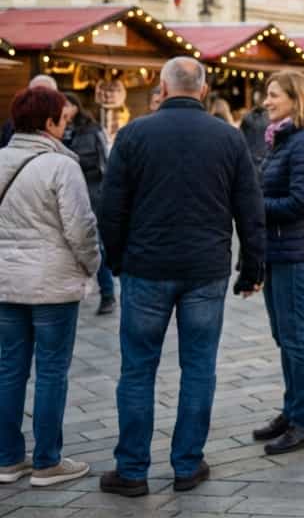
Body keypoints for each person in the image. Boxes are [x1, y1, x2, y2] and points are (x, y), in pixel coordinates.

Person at [97, 58, 266, 497]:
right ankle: (187, 465)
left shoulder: (134, 134)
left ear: (162, 86)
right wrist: (252, 270)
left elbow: (111, 211)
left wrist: (117, 262)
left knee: (137, 370)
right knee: (198, 369)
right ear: (204, 89)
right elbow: (250, 213)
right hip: (204, 271)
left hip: (146, 268)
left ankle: (132, 471)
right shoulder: (228, 139)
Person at [0, 87, 99, 488]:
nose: (67, 124)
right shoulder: (61, 166)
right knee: (52, 372)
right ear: (48, 123)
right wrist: (92, 265)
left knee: (8, 370)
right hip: (53, 286)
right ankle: (47, 462)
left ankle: (7, 459)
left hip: (5, 285)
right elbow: (81, 228)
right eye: (63, 118)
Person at [252, 71, 304, 455]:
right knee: (284, 336)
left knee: (296, 339)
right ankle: (292, 408)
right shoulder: (282, 140)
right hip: (277, 251)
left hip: (294, 254)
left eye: (273, 95)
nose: (266, 101)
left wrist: (252, 208)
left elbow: (301, 203)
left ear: (296, 99)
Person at [62, 93, 114, 315]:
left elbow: (105, 161)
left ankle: (108, 293)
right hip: (66, 189)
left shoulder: (92, 129)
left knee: (96, 242)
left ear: (75, 106)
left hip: (93, 190)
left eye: (67, 105)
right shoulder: (59, 128)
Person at [0, 75, 58, 149]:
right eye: (34, 93)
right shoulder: (12, 124)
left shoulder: (62, 123)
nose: (38, 98)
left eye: (45, 95)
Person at [239, 90, 270, 168]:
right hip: (266, 157)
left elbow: (241, 138)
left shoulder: (247, 117)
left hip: (251, 157)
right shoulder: (272, 117)